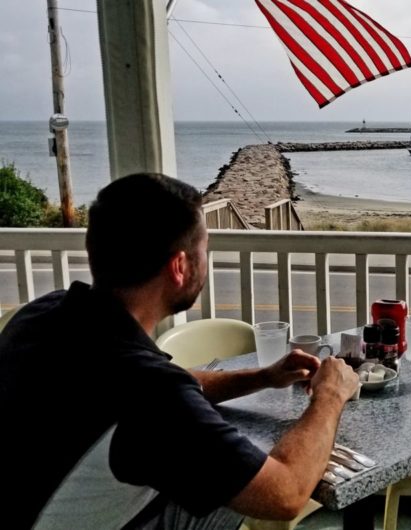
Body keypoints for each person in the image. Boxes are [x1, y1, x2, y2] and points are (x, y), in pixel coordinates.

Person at [0, 173, 360, 529]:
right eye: (204, 249)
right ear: (179, 266)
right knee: (249, 482)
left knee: (225, 472)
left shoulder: (44, 315)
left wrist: (262, 377)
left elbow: (162, 388)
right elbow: (286, 494)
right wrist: (329, 395)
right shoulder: (150, 393)